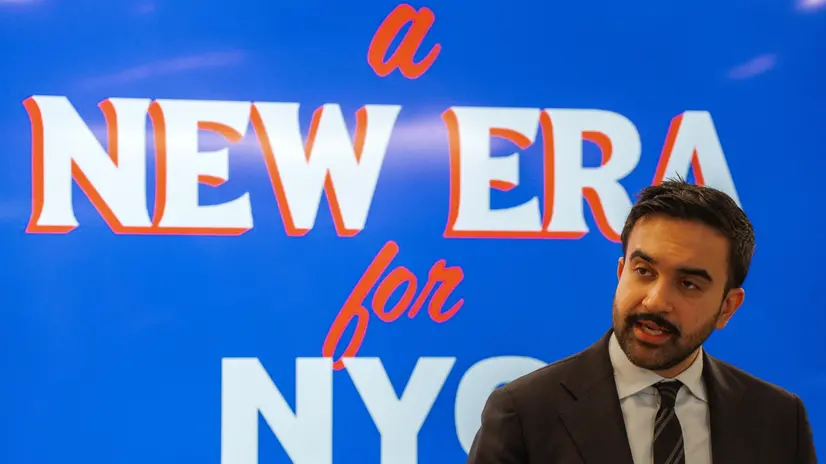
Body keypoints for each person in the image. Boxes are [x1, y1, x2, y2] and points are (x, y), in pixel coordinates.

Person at [466, 178, 817, 464]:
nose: (655, 301)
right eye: (644, 271)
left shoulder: (780, 420)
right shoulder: (524, 413)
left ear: (727, 307)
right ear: (621, 273)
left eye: (688, 284)